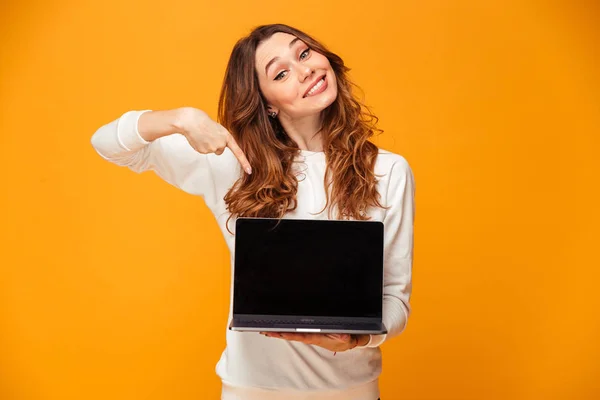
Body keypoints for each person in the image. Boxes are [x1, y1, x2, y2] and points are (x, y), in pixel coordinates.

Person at [91, 23, 414, 400]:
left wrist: (358, 338)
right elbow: (108, 144)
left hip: (351, 390)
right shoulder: (233, 162)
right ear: (268, 104)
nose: (305, 69)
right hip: (252, 390)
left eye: (305, 53)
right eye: (281, 72)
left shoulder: (387, 171)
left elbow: (394, 297)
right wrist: (182, 118)